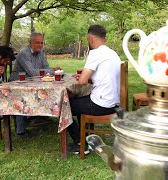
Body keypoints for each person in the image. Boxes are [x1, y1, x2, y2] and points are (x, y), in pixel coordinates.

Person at [68, 25, 121, 155]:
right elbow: (101, 76)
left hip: (101, 104)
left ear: (90, 39)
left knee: (63, 106)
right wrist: (85, 77)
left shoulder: (95, 53)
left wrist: (83, 77)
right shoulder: (112, 53)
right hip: (114, 103)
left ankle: (80, 143)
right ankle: (87, 138)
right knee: (80, 102)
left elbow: (82, 82)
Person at [9, 32, 61, 126]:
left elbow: (46, 66)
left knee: (47, 90)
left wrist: (50, 71)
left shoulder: (41, 53)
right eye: (37, 43)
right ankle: (21, 130)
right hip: (18, 84)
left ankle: (41, 117)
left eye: (42, 43)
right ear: (30, 42)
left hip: (33, 82)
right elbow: (32, 73)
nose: (40, 45)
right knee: (22, 96)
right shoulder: (24, 54)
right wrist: (51, 71)